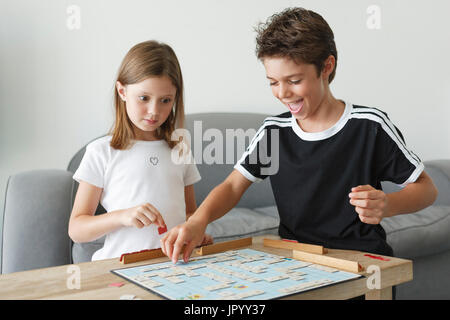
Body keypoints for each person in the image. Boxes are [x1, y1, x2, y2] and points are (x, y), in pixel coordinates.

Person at [160, 8, 438, 265]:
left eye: (294, 81)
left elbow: (427, 189)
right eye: (273, 82)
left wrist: (388, 204)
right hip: (298, 264)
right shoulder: (274, 132)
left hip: (362, 264)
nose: (282, 93)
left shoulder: (369, 126)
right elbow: (233, 186)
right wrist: (198, 221)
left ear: (327, 67)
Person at [68, 40, 212, 261]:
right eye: (144, 98)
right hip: (121, 266)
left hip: (171, 266)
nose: (154, 111)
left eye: (165, 100)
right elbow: (77, 229)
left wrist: (195, 232)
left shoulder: (180, 148)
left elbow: (190, 213)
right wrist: (122, 216)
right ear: (122, 91)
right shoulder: (101, 152)